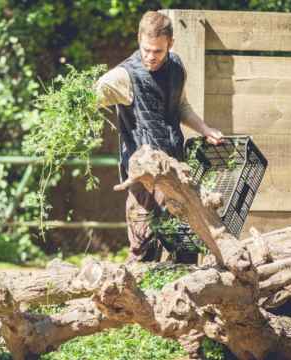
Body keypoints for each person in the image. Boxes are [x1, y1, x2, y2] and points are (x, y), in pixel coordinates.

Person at [95, 11, 223, 262]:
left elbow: (181, 107)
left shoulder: (176, 67)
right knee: (144, 249)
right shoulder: (124, 76)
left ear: (170, 45)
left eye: (158, 51)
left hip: (176, 168)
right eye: (146, 49)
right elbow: (93, 94)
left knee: (185, 246)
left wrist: (205, 129)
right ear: (139, 40)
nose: (151, 57)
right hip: (143, 178)